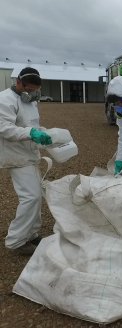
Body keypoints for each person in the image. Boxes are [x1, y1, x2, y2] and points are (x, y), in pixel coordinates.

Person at [0, 67, 52, 255]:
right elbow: (4, 128)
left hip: (29, 154)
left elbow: (32, 125)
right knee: (31, 197)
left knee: (36, 195)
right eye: (28, 89)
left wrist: (44, 133)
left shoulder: (29, 100)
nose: (31, 93)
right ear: (18, 82)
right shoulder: (5, 99)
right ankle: (16, 241)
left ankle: (31, 233)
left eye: (34, 90)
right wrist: (32, 133)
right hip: (16, 156)